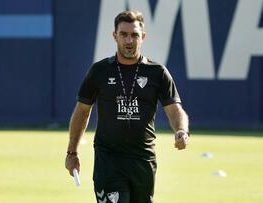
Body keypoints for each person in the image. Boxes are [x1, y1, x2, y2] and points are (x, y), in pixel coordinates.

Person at [65, 10, 190, 203]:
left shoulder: (157, 72)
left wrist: (181, 130)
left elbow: (175, 109)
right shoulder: (99, 71)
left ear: (143, 37)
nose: (129, 40)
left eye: (134, 35)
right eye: (123, 34)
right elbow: (82, 111)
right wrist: (72, 152)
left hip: (143, 160)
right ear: (115, 36)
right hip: (109, 161)